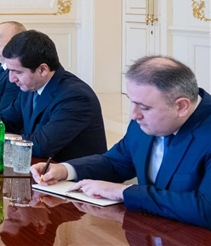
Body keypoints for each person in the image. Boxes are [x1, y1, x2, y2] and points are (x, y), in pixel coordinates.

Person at [32, 56, 211, 229]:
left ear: (181, 106)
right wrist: (65, 170)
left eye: (144, 107)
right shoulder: (144, 120)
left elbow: (206, 209)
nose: (134, 115)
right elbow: (115, 163)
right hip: (149, 230)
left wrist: (123, 192)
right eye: (132, 102)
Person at [0, 30, 106, 162]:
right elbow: (7, 120)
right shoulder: (29, 87)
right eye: (9, 71)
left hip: (71, 172)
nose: (11, 79)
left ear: (42, 70)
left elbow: (41, 145)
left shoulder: (75, 97)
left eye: (17, 72)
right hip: (39, 167)